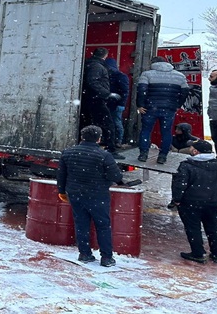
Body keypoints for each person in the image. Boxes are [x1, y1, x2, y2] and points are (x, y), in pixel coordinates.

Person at [57, 125, 124, 267]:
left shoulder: (67, 152)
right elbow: (116, 176)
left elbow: (61, 175)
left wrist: (62, 191)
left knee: (81, 224)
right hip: (98, 196)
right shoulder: (104, 155)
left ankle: (84, 254)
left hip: (75, 194)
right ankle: (106, 257)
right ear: (99, 139)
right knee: (103, 226)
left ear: (82, 136)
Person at [171, 140, 217, 264]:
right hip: (212, 203)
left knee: (193, 228)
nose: (190, 148)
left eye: (191, 147)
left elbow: (179, 185)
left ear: (196, 151)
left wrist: (177, 200)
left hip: (190, 203)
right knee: (213, 228)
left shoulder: (187, 165)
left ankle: (198, 253)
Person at [136, 56, 189, 164]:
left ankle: (143, 154)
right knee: (166, 132)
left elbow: (142, 90)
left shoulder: (146, 74)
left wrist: (140, 105)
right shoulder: (180, 76)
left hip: (150, 108)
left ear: (153, 63)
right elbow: (185, 92)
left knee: (146, 130)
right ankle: (162, 156)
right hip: (169, 109)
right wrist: (177, 104)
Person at [81, 47, 124, 159]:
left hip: (89, 98)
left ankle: (88, 147)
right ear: (105, 56)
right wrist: (107, 94)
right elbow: (92, 82)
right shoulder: (97, 66)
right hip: (96, 99)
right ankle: (111, 149)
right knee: (108, 124)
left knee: (90, 124)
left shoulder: (89, 64)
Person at [105, 57, 130, 148]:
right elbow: (125, 91)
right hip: (112, 102)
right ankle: (115, 140)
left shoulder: (118, 76)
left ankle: (117, 140)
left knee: (115, 122)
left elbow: (125, 91)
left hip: (114, 103)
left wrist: (121, 104)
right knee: (115, 122)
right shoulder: (120, 76)